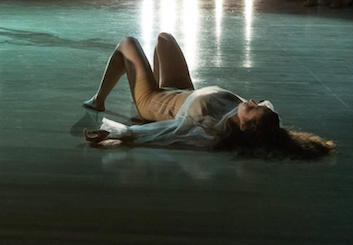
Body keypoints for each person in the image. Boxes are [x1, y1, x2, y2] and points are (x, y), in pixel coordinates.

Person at [82, 33, 334, 158]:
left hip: (155, 102)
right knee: (164, 39)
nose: (253, 101)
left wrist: (118, 134)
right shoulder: (246, 116)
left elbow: (168, 134)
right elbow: (267, 119)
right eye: (258, 104)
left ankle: (99, 100)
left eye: (253, 108)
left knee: (128, 43)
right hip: (182, 91)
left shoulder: (210, 130)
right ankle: (147, 94)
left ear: (246, 125)